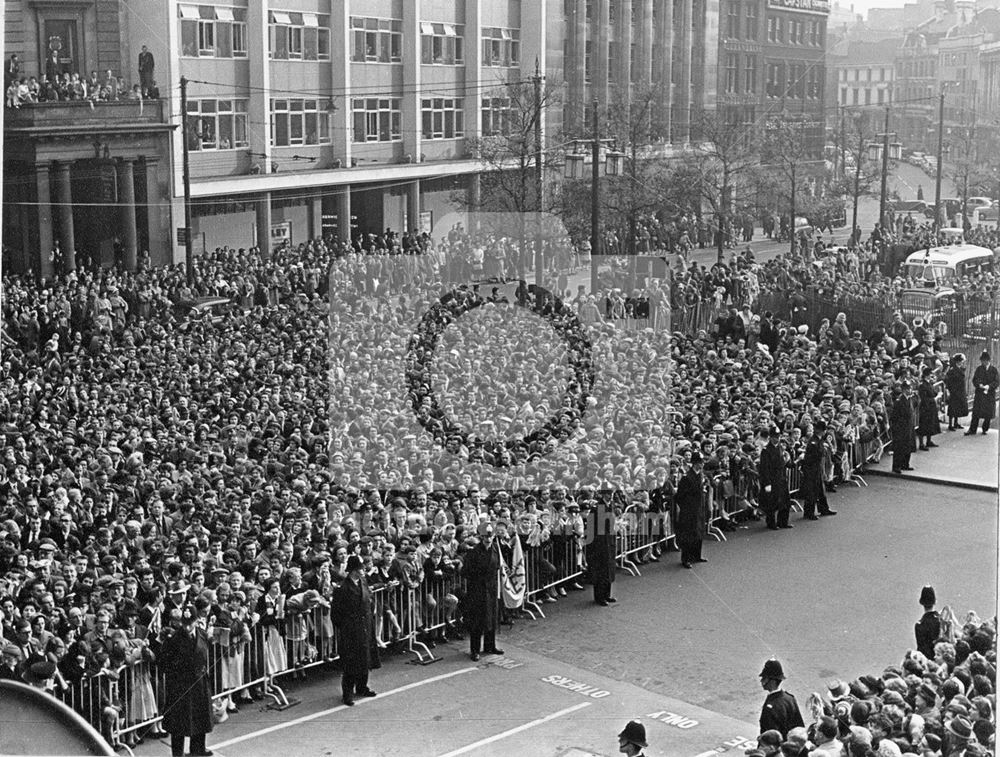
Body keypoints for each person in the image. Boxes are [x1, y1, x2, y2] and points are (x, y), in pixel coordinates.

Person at [158, 606, 213, 757]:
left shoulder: (202, 634)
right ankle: (178, 754)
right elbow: (164, 663)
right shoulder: (173, 639)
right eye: (184, 623)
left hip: (199, 683)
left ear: (196, 621)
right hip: (180, 687)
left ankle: (198, 749)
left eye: (190, 623)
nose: (187, 627)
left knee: (200, 718)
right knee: (179, 724)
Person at [331, 555, 379, 706]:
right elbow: (336, 614)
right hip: (351, 630)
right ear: (353, 570)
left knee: (365, 659)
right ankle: (347, 693)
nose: (363, 570)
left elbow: (369, 600)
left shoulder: (363, 582)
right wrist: (346, 628)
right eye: (360, 568)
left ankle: (362, 686)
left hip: (365, 626)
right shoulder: (343, 588)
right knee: (351, 663)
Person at [462, 521, 503, 662]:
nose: (488, 539)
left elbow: (497, 566)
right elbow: (465, 572)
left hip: (491, 589)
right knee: (477, 621)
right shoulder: (473, 553)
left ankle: (490, 646)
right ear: (481, 537)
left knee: (491, 618)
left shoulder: (496, 549)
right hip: (477, 591)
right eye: (486, 537)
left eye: (490, 537)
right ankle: (475, 650)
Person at [674, 451, 708, 568]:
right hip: (689, 510)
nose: (702, 465)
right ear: (694, 463)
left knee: (698, 533)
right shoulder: (687, 478)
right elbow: (680, 496)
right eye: (700, 462)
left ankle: (696, 555)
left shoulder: (701, 475)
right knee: (688, 534)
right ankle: (686, 558)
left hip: (699, 508)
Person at [583, 496, 618, 605]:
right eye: (608, 493)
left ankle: (607, 594)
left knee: (608, 568)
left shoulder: (609, 505)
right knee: (600, 570)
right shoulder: (597, 508)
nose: (610, 496)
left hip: (608, 541)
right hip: (600, 543)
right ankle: (599, 597)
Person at [759, 659, 805, 739]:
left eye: (764, 678)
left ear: (772, 681)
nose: (761, 680)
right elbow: (799, 727)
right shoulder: (790, 698)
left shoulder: (770, 707)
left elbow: (770, 738)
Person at [800, 422, 835, 520]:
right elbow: (816, 455)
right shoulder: (814, 441)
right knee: (812, 491)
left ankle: (824, 509)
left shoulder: (819, 440)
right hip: (811, 469)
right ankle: (809, 512)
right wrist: (824, 449)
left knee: (820, 490)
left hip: (817, 468)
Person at [758, 427, 791, 531]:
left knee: (785, 502)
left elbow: (784, 461)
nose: (776, 439)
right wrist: (767, 483)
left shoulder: (780, 448)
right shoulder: (766, 450)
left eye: (777, 437)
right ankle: (771, 523)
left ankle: (783, 522)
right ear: (770, 437)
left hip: (781, 477)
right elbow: (765, 468)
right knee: (772, 503)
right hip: (772, 479)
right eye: (774, 437)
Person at [965, 351, 999, 435]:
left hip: (989, 394)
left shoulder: (994, 370)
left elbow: (997, 382)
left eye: (985, 361)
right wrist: (979, 384)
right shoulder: (979, 369)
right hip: (980, 393)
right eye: (982, 361)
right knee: (976, 413)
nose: (983, 362)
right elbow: (975, 379)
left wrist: (989, 386)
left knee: (988, 413)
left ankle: (985, 429)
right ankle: (972, 429)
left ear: (988, 361)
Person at [890, 384, 915, 474]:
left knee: (907, 446)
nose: (911, 390)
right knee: (899, 447)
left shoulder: (909, 399)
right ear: (905, 390)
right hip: (901, 428)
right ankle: (896, 466)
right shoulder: (899, 401)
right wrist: (898, 427)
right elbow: (895, 416)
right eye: (909, 389)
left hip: (908, 427)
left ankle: (905, 464)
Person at [916, 367, 941, 450]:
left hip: (931, 407)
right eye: (931, 374)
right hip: (925, 407)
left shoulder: (929, 383)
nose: (932, 376)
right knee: (923, 425)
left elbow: (933, 393)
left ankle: (928, 441)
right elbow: (924, 398)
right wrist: (935, 398)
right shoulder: (922, 385)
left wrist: (937, 393)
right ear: (926, 375)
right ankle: (921, 444)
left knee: (930, 424)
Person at [914, 585, 941, 660]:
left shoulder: (919, 625)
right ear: (935, 601)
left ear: (921, 603)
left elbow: (921, 648)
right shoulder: (941, 620)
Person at [945, 354, 969, 431]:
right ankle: (950, 424)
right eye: (961, 361)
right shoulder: (952, 370)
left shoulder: (960, 369)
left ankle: (956, 423)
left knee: (958, 407)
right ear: (958, 361)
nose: (962, 362)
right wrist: (950, 390)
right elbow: (949, 381)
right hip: (954, 391)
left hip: (960, 391)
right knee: (952, 408)